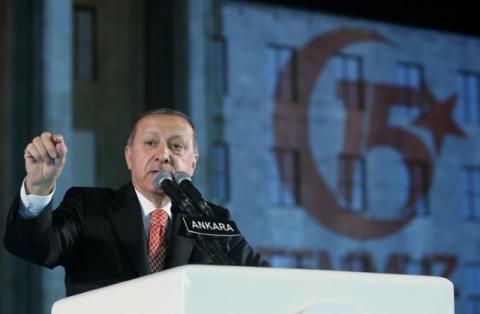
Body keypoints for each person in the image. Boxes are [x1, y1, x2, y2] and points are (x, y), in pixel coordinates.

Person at [4, 108, 269, 296]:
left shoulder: (211, 219)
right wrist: (38, 188)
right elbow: (35, 248)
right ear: (129, 157)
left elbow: (266, 282)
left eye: (177, 147)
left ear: (193, 162)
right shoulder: (90, 207)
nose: (163, 155)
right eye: (150, 143)